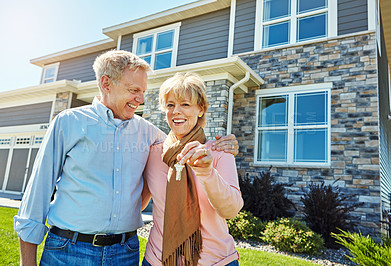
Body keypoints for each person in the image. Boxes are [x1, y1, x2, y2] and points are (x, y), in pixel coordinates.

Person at [14, 50, 238, 266]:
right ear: (106, 84)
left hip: (124, 253)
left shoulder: (149, 134)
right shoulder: (69, 122)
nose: (140, 99)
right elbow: (37, 194)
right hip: (68, 250)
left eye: (143, 91)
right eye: (134, 90)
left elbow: (181, 138)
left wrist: (225, 146)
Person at [142, 72, 243, 266]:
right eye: (170, 105)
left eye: (185, 104)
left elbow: (231, 210)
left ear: (201, 109)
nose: (176, 111)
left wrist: (206, 172)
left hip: (214, 261)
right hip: (157, 259)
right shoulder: (154, 152)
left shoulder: (219, 151)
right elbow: (137, 201)